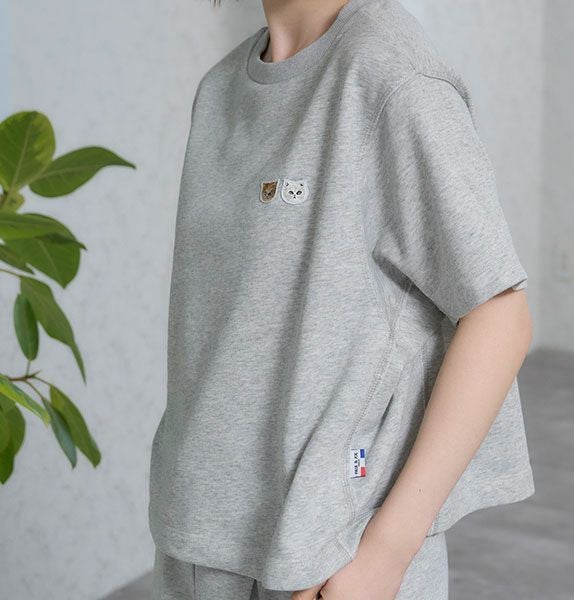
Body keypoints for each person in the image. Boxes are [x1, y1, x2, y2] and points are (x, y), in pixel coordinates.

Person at [148, 0, 536, 598]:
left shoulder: (392, 75)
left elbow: (499, 315)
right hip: (196, 532)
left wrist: (387, 552)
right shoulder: (220, 88)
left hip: (328, 552)